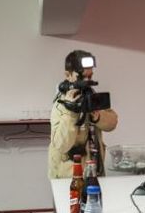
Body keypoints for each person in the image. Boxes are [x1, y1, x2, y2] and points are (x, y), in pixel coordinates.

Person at [49, 50, 118, 179]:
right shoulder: (60, 106)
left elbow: (112, 123)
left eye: (90, 76)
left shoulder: (91, 96)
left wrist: (97, 117)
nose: (87, 81)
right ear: (68, 75)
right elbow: (62, 145)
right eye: (82, 77)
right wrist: (71, 113)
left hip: (94, 172)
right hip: (69, 177)